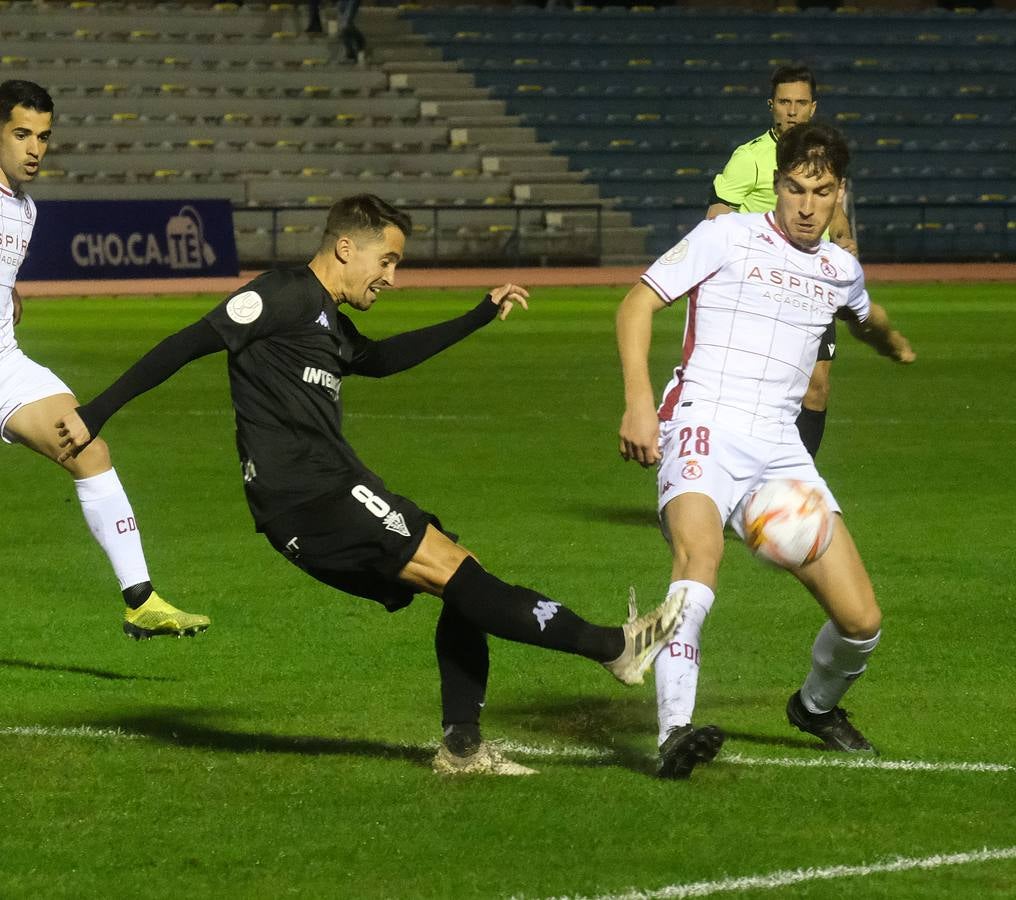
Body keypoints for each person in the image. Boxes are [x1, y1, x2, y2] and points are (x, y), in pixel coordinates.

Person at [57, 194, 685, 776]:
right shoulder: (283, 294)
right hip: (313, 495)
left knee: (459, 574)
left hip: (316, 498)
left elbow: (380, 360)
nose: (391, 276)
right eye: (386, 260)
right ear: (345, 248)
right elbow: (185, 343)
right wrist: (96, 413)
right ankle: (613, 647)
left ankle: (463, 744)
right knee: (462, 575)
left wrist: (476, 316)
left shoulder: (327, 320)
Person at [618, 122, 915, 779]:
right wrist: (640, 404)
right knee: (698, 560)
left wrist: (892, 345)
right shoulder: (726, 236)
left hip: (779, 449)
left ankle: (812, 707)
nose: (806, 205)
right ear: (775, 185)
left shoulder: (839, 268)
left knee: (861, 621)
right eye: (793, 188)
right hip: (702, 423)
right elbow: (635, 306)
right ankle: (673, 733)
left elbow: (866, 316)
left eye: (822, 191)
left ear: (841, 194)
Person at [0, 79, 210, 640]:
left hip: (3, 362)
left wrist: (9, 293)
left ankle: (140, 600)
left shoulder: (25, 210)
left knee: (86, 442)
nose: (34, 149)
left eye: (43, 137)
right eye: (21, 134)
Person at [706, 64, 859, 459]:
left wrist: (844, 240)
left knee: (816, 386)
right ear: (771, 105)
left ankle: (797, 476)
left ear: (813, 107)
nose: (792, 110)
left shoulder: (824, 158)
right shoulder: (750, 157)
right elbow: (716, 214)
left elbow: (836, 214)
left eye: (800, 103)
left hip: (814, 284)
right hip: (762, 284)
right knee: (754, 385)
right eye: (785, 102)